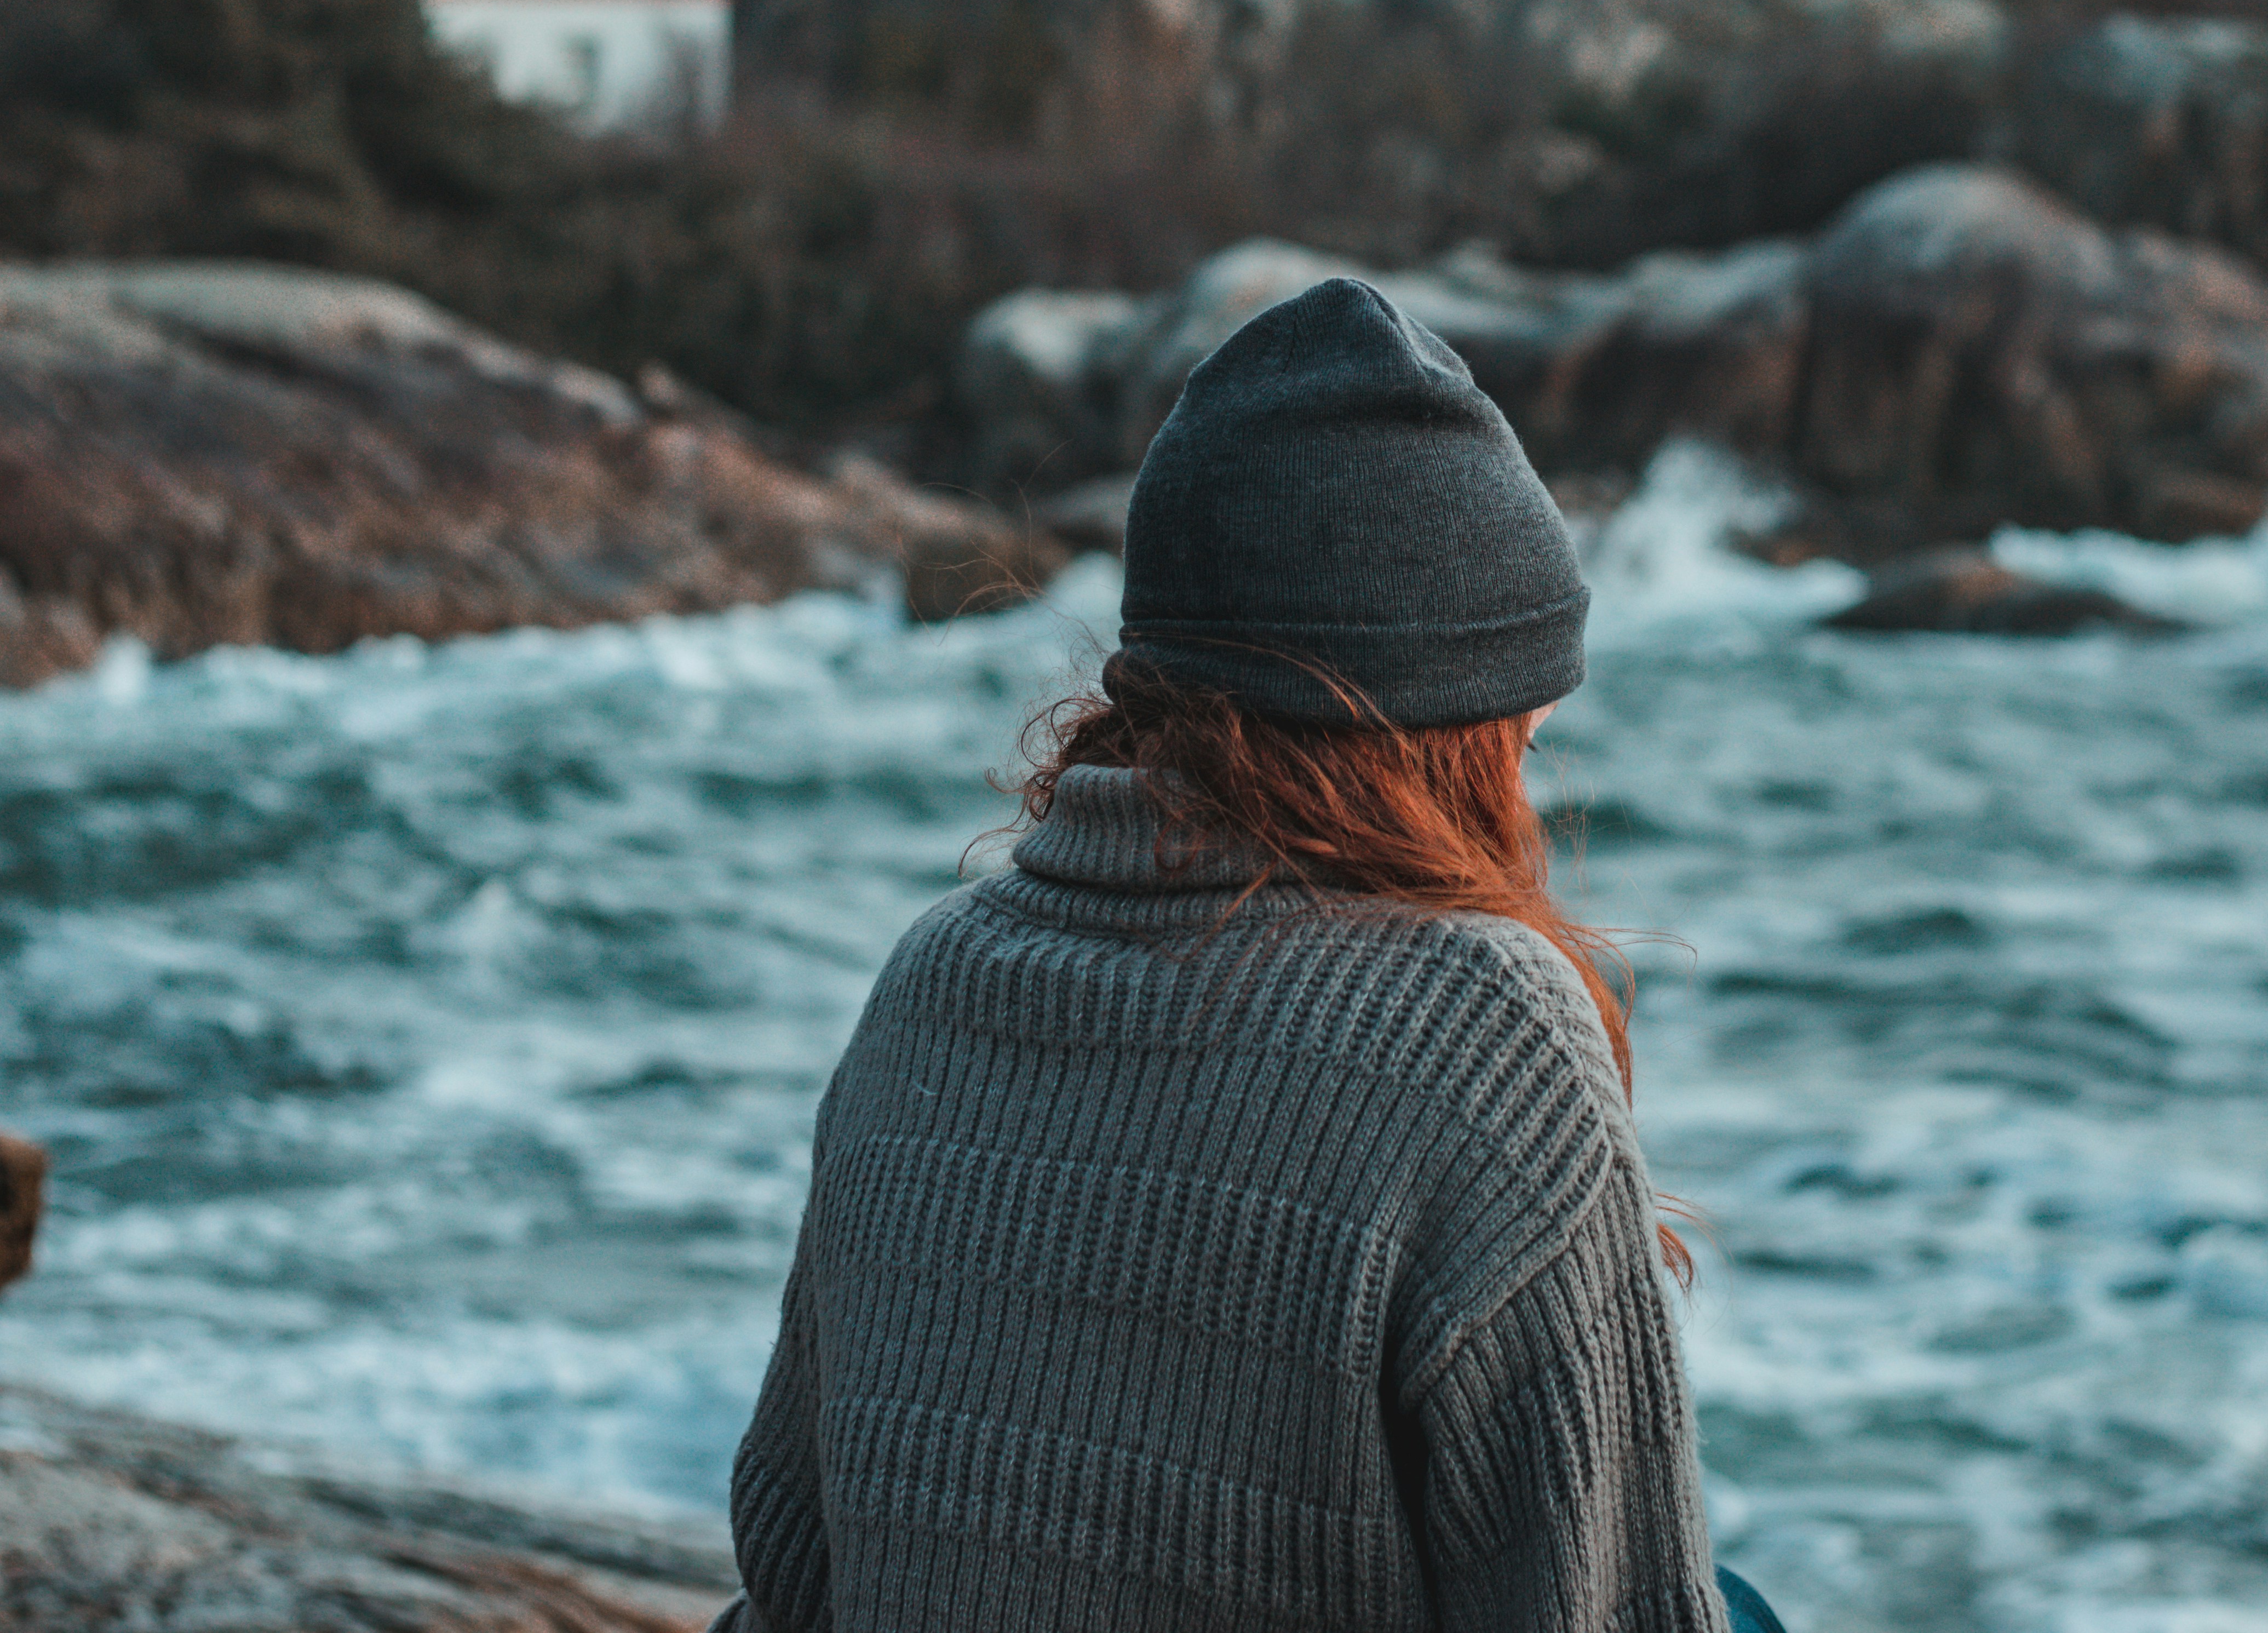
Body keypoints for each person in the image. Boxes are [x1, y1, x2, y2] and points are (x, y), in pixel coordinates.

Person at [713, 277, 1787, 1633]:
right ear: (1443, 726)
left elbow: (788, 1590)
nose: (1526, 772)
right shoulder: (1476, 1035)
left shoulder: (928, 979)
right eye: (1519, 715)